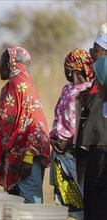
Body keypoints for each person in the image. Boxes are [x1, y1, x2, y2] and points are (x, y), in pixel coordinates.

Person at [0, 47, 51, 203]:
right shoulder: (9, 88)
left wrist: (28, 157)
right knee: (14, 205)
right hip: (13, 156)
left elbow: (36, 121)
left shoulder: (24, 86)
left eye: (1, 62)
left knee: (29, 206)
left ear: (10, 63)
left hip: (27, 158)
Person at [49, 49, 94, 220]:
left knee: (82, 194)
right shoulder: (66, 89)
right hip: (60, 152)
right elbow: (58, 114)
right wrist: (55, 137)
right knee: (66, 199)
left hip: (76, 153)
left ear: (71, 69)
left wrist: (69, 143)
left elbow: (86, 124)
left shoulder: (89, 91)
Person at [76, 23, 107, 220]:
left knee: (96, 207)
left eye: (94, 51)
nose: (92, 55)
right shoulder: (97, 82)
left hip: (101, 152)